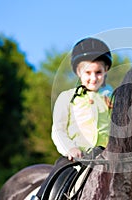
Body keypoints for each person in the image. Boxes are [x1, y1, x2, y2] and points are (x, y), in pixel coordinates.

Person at [31, 37, 113, 200]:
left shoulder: (111, 100)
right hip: (77, 156)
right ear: (78, 73)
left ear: (105, 72)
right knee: (58, 173)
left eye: (98, 73)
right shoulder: (68, 97)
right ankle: (39, 197)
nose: (93, 78)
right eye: (87, 73)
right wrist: (70, 149)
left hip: (105, 157)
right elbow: (58, 129)